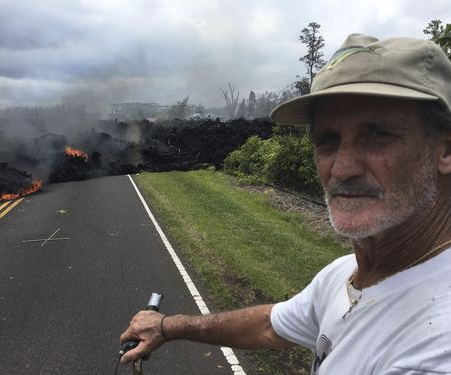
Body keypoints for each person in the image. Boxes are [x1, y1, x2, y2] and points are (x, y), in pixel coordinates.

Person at [120, 34, 451, 374]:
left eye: (377, 134)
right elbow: (269, 325)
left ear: (445, 150)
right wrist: (166, 327)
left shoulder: (437, 345)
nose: (341, 168)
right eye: (327, 140)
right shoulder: (344, 275)